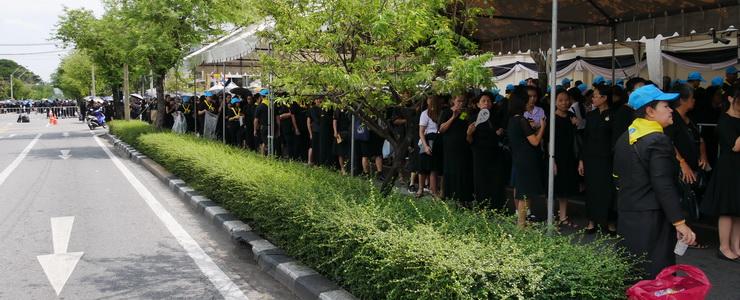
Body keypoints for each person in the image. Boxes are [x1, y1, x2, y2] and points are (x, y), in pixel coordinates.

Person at [614, 84, 697, 278]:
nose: (671, 110)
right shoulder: (658, 140)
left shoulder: (625, 137)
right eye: (666, 106)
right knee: (656, 275)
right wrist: (679, 222)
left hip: (628, 214)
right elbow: (663, 185)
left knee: (633, 271)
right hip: (653, 218)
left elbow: (617, 178)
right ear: (650, 111)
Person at [701, 85, 740, 262]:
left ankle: (736, 246)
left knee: (738, 210)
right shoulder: (724, 120)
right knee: (727, 209)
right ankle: (724, 247)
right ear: (731, 99)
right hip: (729, 168)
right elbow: (736, 146)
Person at [579, 85, 616, 234]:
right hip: (590, 159)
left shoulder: (613, 115)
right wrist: (581, 160)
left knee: (608, 190)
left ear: (604, 98)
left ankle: (610, 221)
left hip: (607, 159)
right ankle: (591, 220)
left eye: (595, 96)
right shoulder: (591, 115)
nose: (592, 99)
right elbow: (585, 139)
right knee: (592, 190)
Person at [508, 87, 546, 227]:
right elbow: (535, 142)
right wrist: (542, 127)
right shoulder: (522, 120)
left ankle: (523, 222)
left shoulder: (513, 120)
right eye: (527, 99)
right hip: (527, 158)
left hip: (519, 157)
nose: (530, 101)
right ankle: (521, 224)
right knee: (525, 192)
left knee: (525, 191)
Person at [466, 92, 506, 209]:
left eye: (488, 101)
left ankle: (496, 206)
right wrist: (469, 133)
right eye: (483, 101)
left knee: (496, 179)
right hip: (479, 153)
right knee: (481, 179)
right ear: (478, 104)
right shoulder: (473, 118)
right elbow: (469, 140)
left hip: (495, 152)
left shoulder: (496, 117)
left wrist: (500, 132)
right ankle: (482, 206)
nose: (486, 103)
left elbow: (501, 133)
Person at [439, 94, 474, 203]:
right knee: (450, 169)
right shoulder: (446, 112)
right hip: (450, 147)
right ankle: (449, 195)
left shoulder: (464, 113)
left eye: (463, 101)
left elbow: (463, 125)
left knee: (462, 170)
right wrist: (453, 117)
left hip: (463, 146)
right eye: (459, 101)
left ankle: (462, 196)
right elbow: (441, 129)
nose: (461, 103)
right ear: (453, 101)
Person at [553, 89, 579, 228]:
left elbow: (576, 137)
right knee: (553, 189)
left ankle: (563, 216)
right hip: (555, 157)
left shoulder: (571, 115)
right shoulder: (551, 118)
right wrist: (552, 160)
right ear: (555, 102)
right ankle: (551, 218)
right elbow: (548, 142)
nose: (564, 103)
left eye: (566, 99)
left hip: (569, 157)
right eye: (560, 100)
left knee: (565, 189)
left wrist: (576, 124)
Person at [417, 95, 443, 198]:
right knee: (423, 166)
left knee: (434, 167)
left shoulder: (441, 113)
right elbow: (421, 132)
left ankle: (434, 191)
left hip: (437, 140)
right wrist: (425, 145)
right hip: (427, 139)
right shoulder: (424, 113)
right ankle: (420, 189)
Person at [333, 109, 352, 175]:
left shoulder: (350, 109)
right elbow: (334, 121)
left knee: (348, 151)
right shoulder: (337, 110)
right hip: (339, 133)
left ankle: (348, 168)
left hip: (349, 133)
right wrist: (335, 132)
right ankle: (342, 168)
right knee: (340, 152)